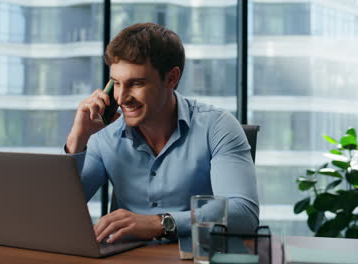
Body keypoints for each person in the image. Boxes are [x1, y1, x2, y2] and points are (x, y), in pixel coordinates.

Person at [65, 22, 258, 243]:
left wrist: (160, 223)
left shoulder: (217, 126)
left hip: (193, 256)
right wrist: (77, 139)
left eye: (136, 83)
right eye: (116, 83)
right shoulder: (102, 134)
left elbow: (244, 213)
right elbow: (60, 211)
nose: (121, 98)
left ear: (172, 78)